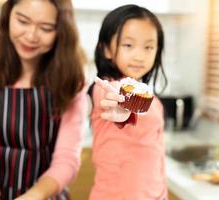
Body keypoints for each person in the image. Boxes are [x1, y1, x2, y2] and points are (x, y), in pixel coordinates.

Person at [0, 0, 87, 199]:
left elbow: (66, 159)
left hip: (45, 195)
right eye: (23, 21)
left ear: (62, 31)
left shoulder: (72, 82)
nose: (31, 36)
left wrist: (33, 196)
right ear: (8, 16)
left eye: (46, 28)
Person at [89, 4, 168, 200]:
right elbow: (117, 99)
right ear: (106, 49)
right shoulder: (104, 89)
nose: (139, 55)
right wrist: (124, 109)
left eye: (148, 47)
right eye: (128, 45)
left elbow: (157, 154)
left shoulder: (153, 100)